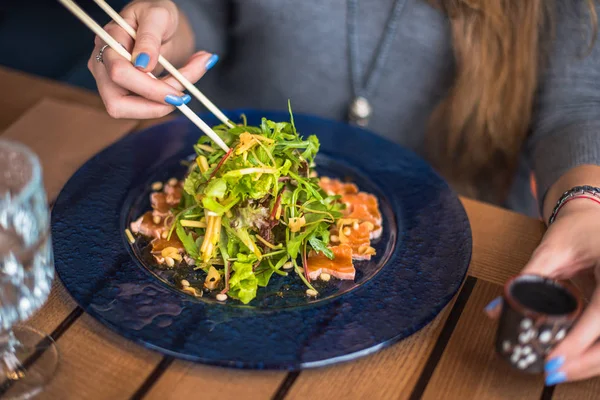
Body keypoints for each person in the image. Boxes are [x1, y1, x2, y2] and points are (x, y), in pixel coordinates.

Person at [87, 0, 600, 385]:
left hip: (454, 277)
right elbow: (201, 14)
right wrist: (157, 39)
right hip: (197, 319)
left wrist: (586, 202)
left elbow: (577, 105)